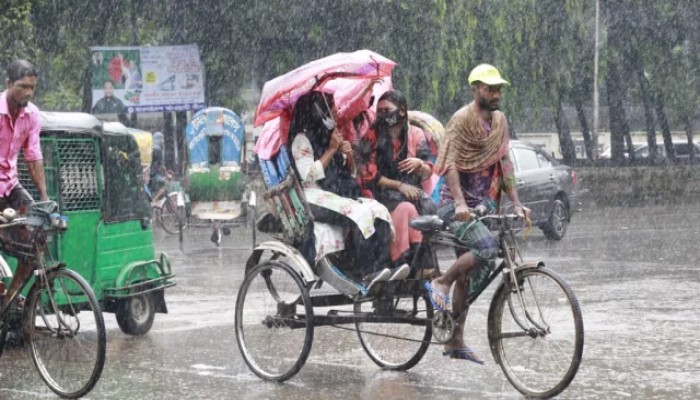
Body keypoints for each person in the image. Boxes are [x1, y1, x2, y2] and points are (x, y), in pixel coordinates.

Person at [426, 64, 530, 364]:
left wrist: (517, 203)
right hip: (453, 206)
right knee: (485, 248)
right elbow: (450, 164)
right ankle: (442, 281)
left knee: (471, 277)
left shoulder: (500, 123)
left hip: (483, 205)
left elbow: (504, 164)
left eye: (498, 88)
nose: (496, 93)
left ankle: (454, 340)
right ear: (476, 89)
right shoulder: (461, 120)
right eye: (489, 88)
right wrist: (459, 203)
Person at [288, 90, 409, 291]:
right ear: (319, 112)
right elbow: (308, 175)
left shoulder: (329, 136)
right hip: (313, 196)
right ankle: (362, 271)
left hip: (335, 193)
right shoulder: (301, 140)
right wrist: (331, 150)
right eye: (331, 108)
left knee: (377, 210)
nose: (336, 111)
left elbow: (348, 173)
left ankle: (379, 268)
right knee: (358, 215)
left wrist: (347, 156)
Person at [358, 90, 436, 276]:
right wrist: (400, 186)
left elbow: (427, 171)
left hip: (411, 193)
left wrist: (419, 165)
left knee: (428, 211)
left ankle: (417, 262)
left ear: (401, 111)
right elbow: (369, 175)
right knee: (405, 209)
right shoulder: (372, 135)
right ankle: (401, 259)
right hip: (381, 193)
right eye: (380, 111)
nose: (383, 115)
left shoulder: (416, 135)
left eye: (387, 110)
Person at [0, 59, 49, 301]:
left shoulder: (32, 115)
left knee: (38, 234)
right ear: (8, 84)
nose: (28, 92)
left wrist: (44, 198)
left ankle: (10, 299)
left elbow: (33, 156)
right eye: (23, 86)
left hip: (10, 185)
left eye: (32, 87)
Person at [148, 131, 167, 203]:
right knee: (163, 185)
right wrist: (167, 174)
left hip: (149, 173)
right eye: (162, 139)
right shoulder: (158, 149)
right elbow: (161, 165)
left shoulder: (151, 147)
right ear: (159, 139)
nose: (163, 141)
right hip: (153, 174)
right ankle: (154, 200)